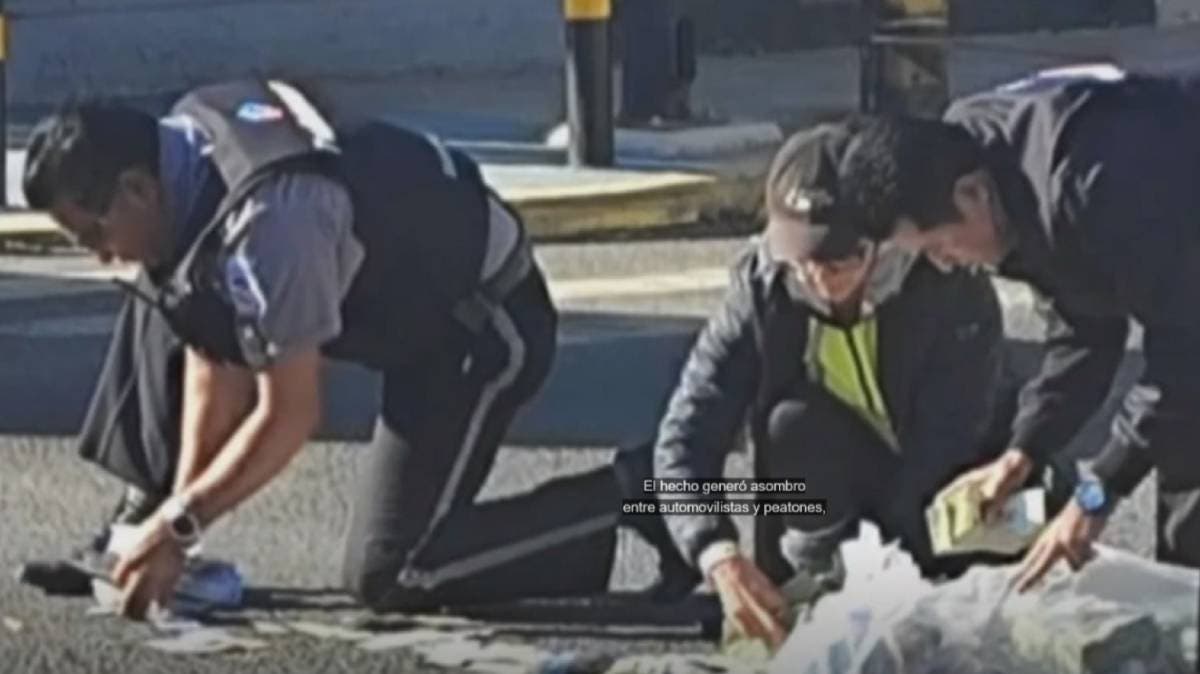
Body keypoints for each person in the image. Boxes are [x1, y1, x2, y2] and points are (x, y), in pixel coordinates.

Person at [16, 78, 685, 618]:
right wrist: (178, 512)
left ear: (135, 187)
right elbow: (210, 354)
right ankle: (137, 526)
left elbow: (289, 412)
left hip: (480, 325)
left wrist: (184, 526)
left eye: (91, 234)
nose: (102, 257)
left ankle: (635, 492)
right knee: (155, 310)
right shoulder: (182, 154)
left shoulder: (272, 226)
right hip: (402, 304)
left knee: (394, 573)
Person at [650, 121, 1012, 651]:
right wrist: (717, 555)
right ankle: (815, 583)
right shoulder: (762, 288)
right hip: (830, 495)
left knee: (1047, 498)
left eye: (840, 259)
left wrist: (896, 579)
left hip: (944, 493)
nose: (820, 280)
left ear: (880, 241)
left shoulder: (948, 283)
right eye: (804, 261)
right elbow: (683, 440)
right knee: (789, 423)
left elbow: (948, 444)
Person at [842, 64, 1200, 594]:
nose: (946, 265)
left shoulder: (1092, 186)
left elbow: (1185, 355)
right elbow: (1085, 329)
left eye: (941, 246)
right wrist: (1022, 451)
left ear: (971, 195)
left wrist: (1096, 493)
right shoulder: (973, 157)